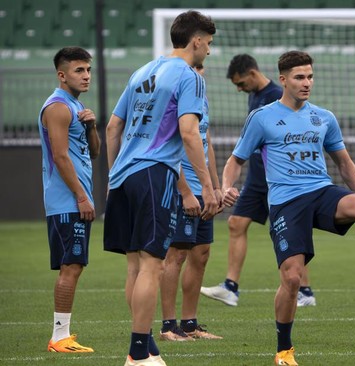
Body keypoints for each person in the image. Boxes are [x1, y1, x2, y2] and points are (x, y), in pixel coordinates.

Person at [221, 50, 355, 366]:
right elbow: (235, 160)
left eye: (310, 76)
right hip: (286, 203)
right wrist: (227, 186)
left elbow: (344, 162)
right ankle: (284, 351)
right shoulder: (262, 117)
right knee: (293, 278)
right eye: (299, 77)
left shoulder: (324, 117)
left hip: (320, 191)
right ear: (283, 80)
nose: (306, 82)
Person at [103, 10, 219, 366]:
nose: (209, 52)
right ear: (196, 40)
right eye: (209, 44)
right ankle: (138, 353)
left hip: (123, 175)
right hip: (155, 174)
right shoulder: (189, 77)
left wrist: (113, 177)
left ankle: (148, 346)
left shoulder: (142, 71)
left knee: (136, 268)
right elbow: (188, 133)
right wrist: (208, 188)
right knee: (152, 267)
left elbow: (112, 128)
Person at [200, 53, 316, 307]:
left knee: (289, 232)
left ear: (252, 74)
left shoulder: (277, 95)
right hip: (256, 176)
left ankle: (304, 291)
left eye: (241, 84)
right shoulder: (256, 96)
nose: (240, 90)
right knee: (236, 223)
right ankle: (231, 287)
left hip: (275, 178)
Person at [39, 46, 99, 353]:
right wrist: (81, 196)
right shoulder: (58, 108)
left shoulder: (76, 107)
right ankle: (59, 337)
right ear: (62, 75)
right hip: (67, 201)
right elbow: (61, 156)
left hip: (74, 199)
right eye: (79, 70)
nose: (86, 75)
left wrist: (91, 126)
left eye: (88, 69)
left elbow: (94, 152)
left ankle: (62, 335)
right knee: (71, 265)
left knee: (73, 264)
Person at [159, 63, 223, 342]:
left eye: (200, 66)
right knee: (177, 255)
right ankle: (168, 326)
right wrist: (184, 190)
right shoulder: (172, 102)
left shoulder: (201, 99)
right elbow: (168, 149)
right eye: (193, 66)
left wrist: (216, 187)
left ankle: (190, 323)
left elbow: (206, 143)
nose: (199, 70)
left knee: (201, 254)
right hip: (181, 189)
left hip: (204, 190)